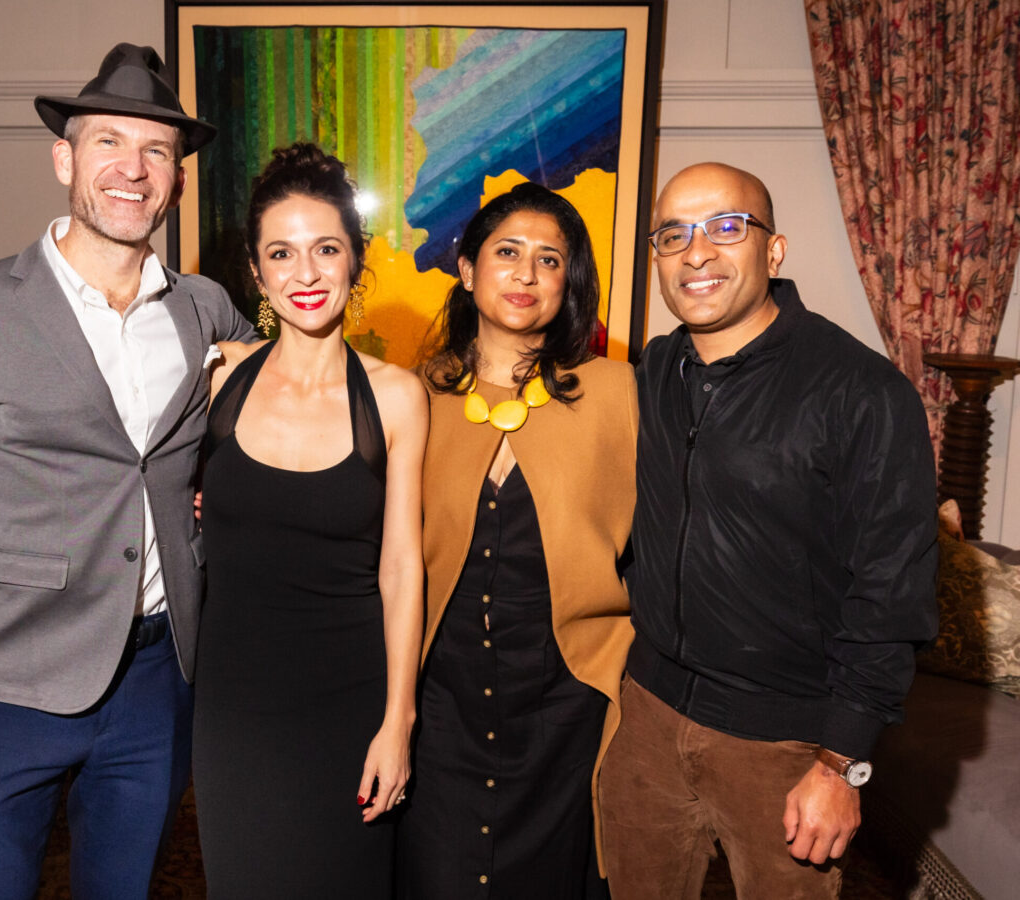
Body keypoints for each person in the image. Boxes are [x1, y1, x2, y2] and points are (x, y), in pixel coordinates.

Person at [0, 43, 255, 899]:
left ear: (179, 178)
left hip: (159, 683)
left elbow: (280, 423)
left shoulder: (206, 311)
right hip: (8, 687)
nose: (134, 168)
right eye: (109, 142)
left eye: (158, 150)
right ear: (63, 159)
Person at [598, 162, 938, 899]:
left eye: (726, 227)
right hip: (649, 718)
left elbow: (891, 593)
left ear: (774, 250)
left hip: (786, 745)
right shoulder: (655, 370)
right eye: (673, 235)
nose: (697, 252)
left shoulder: (863, 392)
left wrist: (842, 763)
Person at [192, 142, 426, 898]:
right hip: (233, 710)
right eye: (281, 254)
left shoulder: (396, 397)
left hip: (350, 705)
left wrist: (399, 723)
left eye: (326, 249)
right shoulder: (220, 374)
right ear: (256, 273)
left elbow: (401, 569)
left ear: (356, 259)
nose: (306, 273)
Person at [396, 182, 638, 898]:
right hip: (440, 704)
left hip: (570, 707)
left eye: (550, 260)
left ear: (571, 283)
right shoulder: (413, 394)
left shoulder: (620, 393)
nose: (527, 274)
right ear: (466, 271)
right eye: (507, 252)